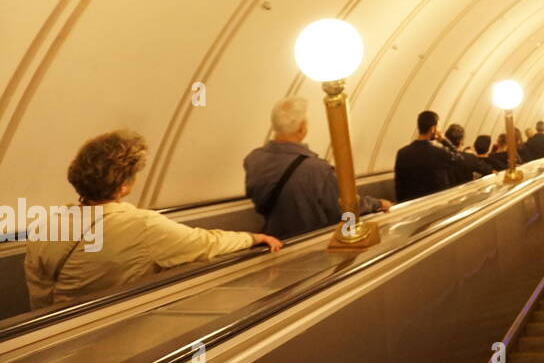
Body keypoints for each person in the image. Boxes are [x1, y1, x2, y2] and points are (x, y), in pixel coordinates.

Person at [27, 130, 283, 308]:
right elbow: (205, 243)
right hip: (98, 338)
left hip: (43, 338)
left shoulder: (46, 224)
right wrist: (252, 237)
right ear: (125, 185)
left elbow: (39, 288)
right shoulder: (141, 226)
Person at [246, 98, 390, 238]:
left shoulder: (253, 159)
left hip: (273, 241)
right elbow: (344, 207)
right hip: (312, 241)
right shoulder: (317, 169)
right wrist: (377, 204)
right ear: (302, 128)